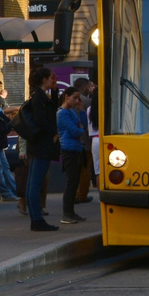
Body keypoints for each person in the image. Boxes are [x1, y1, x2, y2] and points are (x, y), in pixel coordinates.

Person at [22, 66, 62, 232]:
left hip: (38, 144)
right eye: (51, 78)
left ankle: (36, 218)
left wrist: (54, 90)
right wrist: (53, 133)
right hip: (41, 144)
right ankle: (36, 219)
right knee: (35, 182)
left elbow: (52, 108)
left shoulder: (40, 95)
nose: (53, 80)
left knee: (34, 181)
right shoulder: (38, 97)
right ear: (44, 79)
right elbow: (41, 119)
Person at [57, 86, 90, 224]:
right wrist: (80, 129)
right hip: (69, 149)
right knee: (71, 182)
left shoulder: (71, 111)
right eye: (75, 98)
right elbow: (75, 130)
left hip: (76, 148)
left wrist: (82, 111)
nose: (77, 101)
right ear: (66, 97)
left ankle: (71, 212)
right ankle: (67, 213)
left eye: (79, 98)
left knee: (75, 181)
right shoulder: (62, 113)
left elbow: (83, 125)